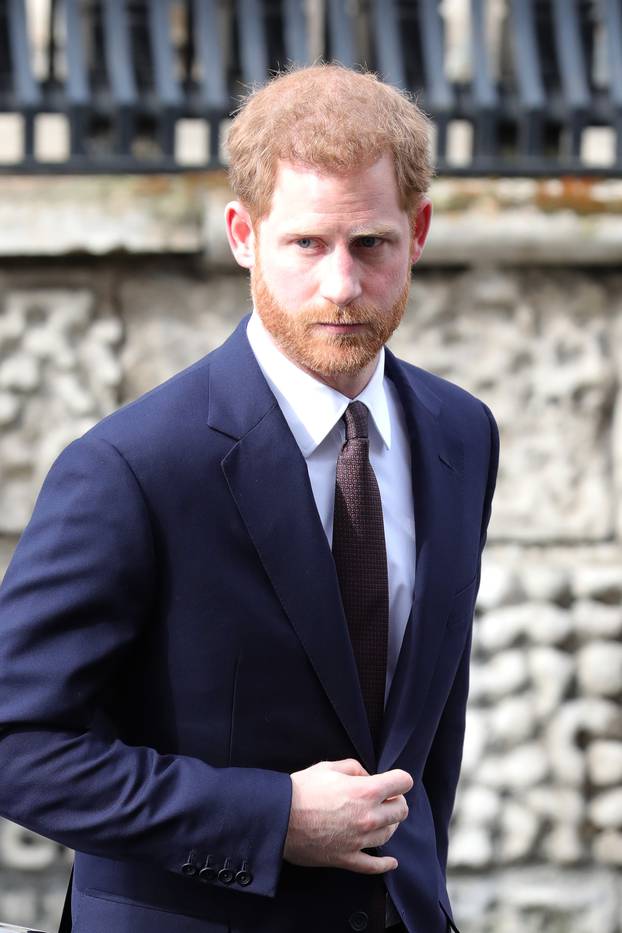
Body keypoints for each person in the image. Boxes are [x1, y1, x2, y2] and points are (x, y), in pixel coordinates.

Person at [0, 64, 498, 933]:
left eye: (371, 244)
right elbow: (16, 744)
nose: (341, 285)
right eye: (307, 243)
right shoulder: (132, 466)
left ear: (418, 232)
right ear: (244, 234)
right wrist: (271, 818)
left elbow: (426, 731)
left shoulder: (462, 434)